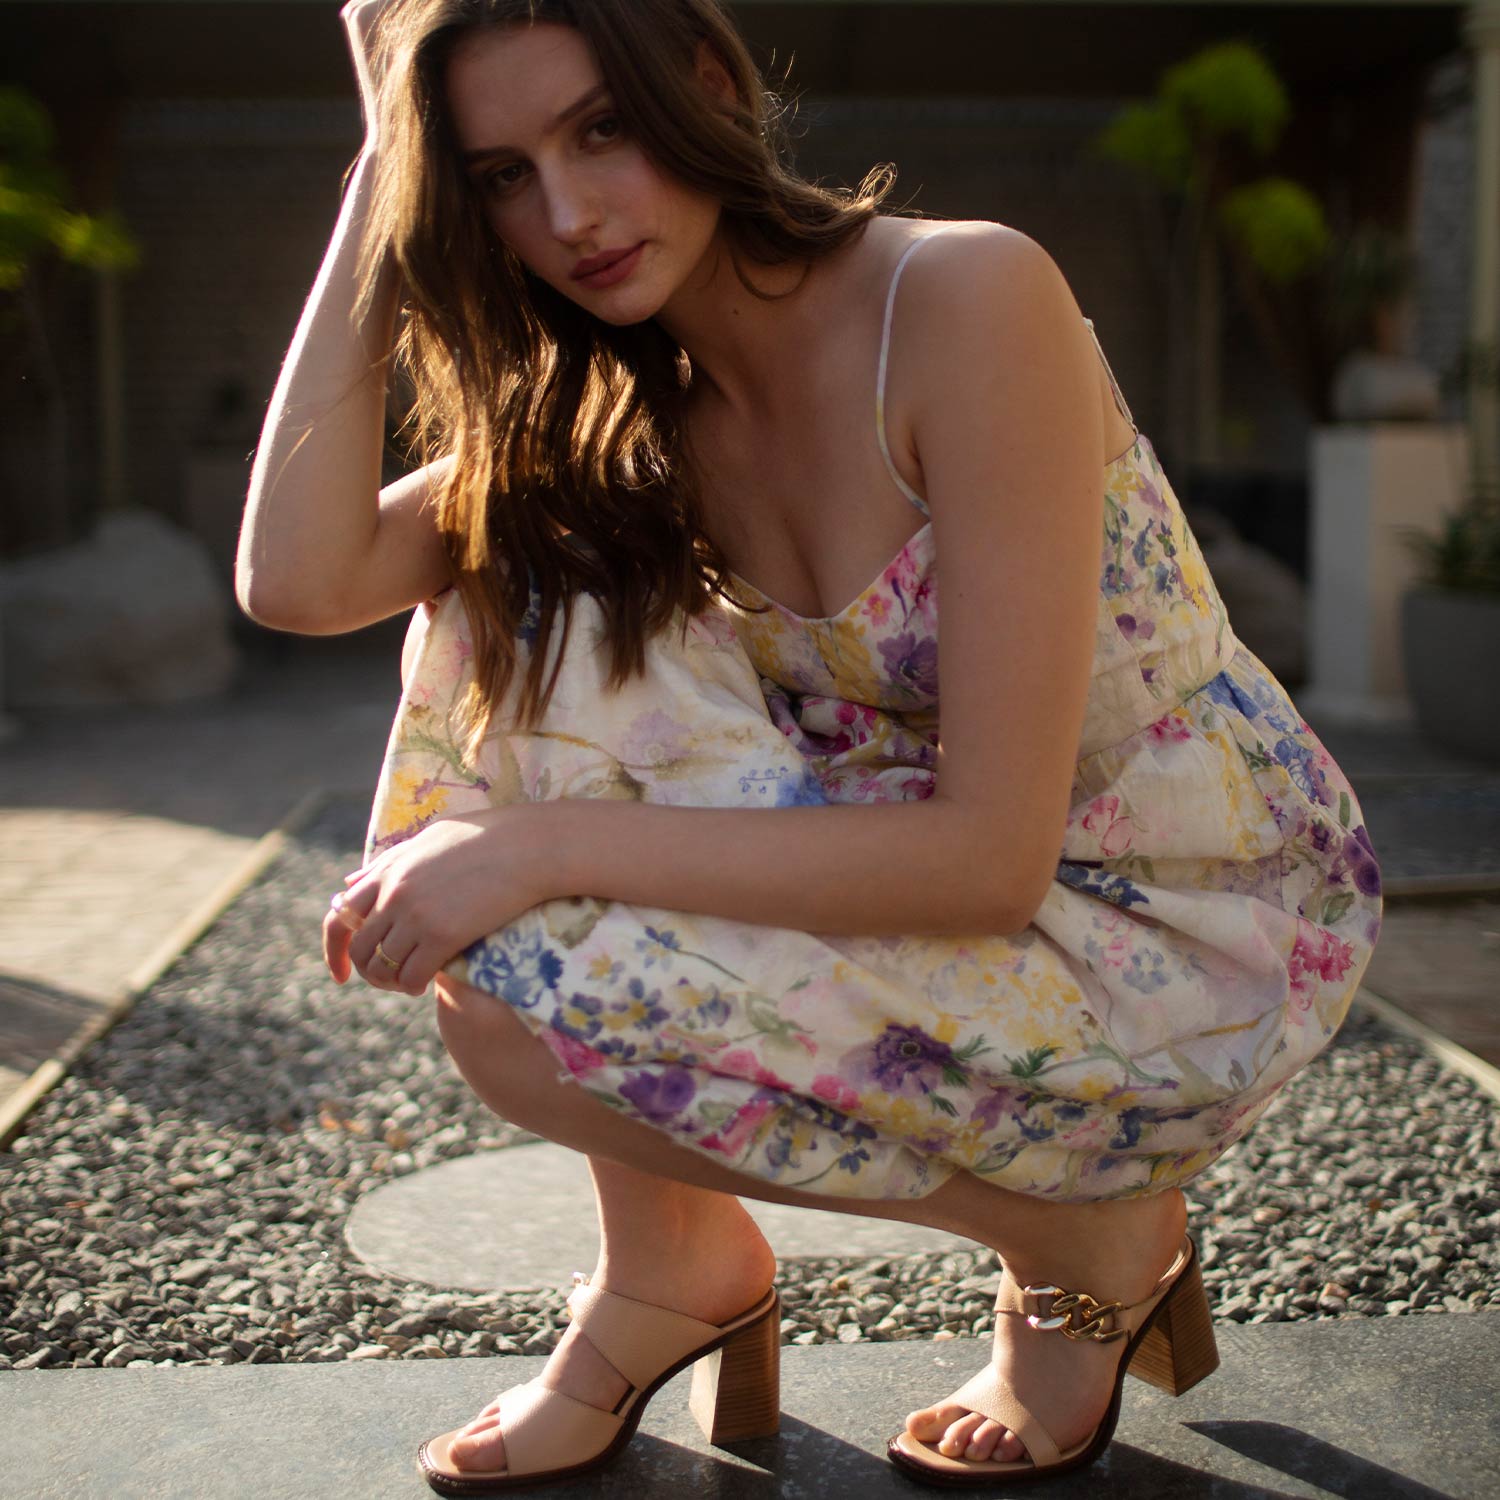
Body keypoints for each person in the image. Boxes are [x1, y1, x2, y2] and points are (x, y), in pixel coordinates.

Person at [237, 0, 1384, 1490]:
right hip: (899, 856)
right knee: (517, 626)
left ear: (709, 86)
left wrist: (533, 846)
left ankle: (1084, 1239)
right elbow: (298, 579)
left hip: (1169, 907)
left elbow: (990, 857)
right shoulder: (627, 413)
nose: (570, 214)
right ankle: (669, 1267)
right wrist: (383, 179)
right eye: (502, 175)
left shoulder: (963, 298)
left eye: (603, 131)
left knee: (518, 919)